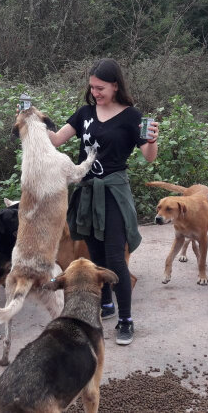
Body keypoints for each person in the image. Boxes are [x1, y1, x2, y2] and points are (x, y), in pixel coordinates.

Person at [48, 58, 159, 345]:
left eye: (101, 88)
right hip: (86, 191)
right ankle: (106, 304)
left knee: (114, 259)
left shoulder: (131, 116)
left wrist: (153, 139)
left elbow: (148, 156)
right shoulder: (85, 113)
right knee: (94, 254)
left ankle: (126, 320)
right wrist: (33, 123)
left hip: (113, 192)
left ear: (115, 85)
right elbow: (57, 140)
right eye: (92, 88)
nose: (95, 93)